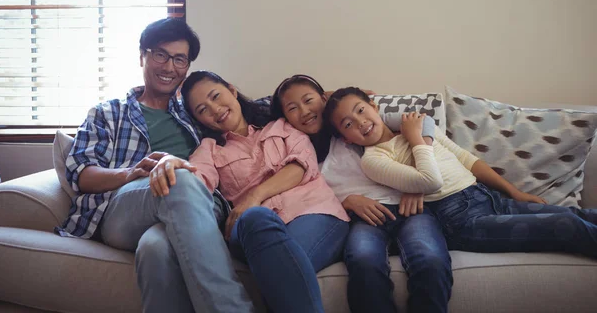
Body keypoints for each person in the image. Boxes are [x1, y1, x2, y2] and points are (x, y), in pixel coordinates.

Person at [58, 18, 255, 313]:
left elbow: (246, 112)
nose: (169, 67)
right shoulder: (107, 113)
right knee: (180, 178)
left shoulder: (195, 110)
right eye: (160, 54)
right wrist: (130, 173)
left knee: (155, 248)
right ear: (143, 56)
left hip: (198, 207)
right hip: (125, 209)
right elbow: (82, 175)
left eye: (180, 59)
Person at [148, 71, 350, 313]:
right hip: (253, 230)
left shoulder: (282, 125)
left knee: (277, 262)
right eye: (202, 110)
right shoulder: (210, 150)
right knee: (255, 219)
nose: (215, 109)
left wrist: (254, 197)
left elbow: (300, 166)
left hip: (314, 212)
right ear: (199, 120)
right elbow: (195, 181)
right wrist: (170, 162)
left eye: (216, 96)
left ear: (232, 91)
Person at [325, 86, 597, 261]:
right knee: (566, 227)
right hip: (460, 219)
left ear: (374, 106)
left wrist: (514, 192)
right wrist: (416, 139)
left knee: (574, 214)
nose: (360, 122)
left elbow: (466, 159)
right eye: (348, 124)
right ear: (345, 139)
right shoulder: (374, 159)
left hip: (488, 196)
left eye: (361, 110)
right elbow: (430, 181)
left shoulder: (418, 126)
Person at [271, 75, 451, 313]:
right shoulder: (294, 147)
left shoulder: (354, 121)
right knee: (364, 261)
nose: (304, 111)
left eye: (309, 100)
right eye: (293, 108)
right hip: (363, 219)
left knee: (430, 260)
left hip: (411, 208)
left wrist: (416, 181)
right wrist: (347, 201)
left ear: (323, 99)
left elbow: (423, 122)